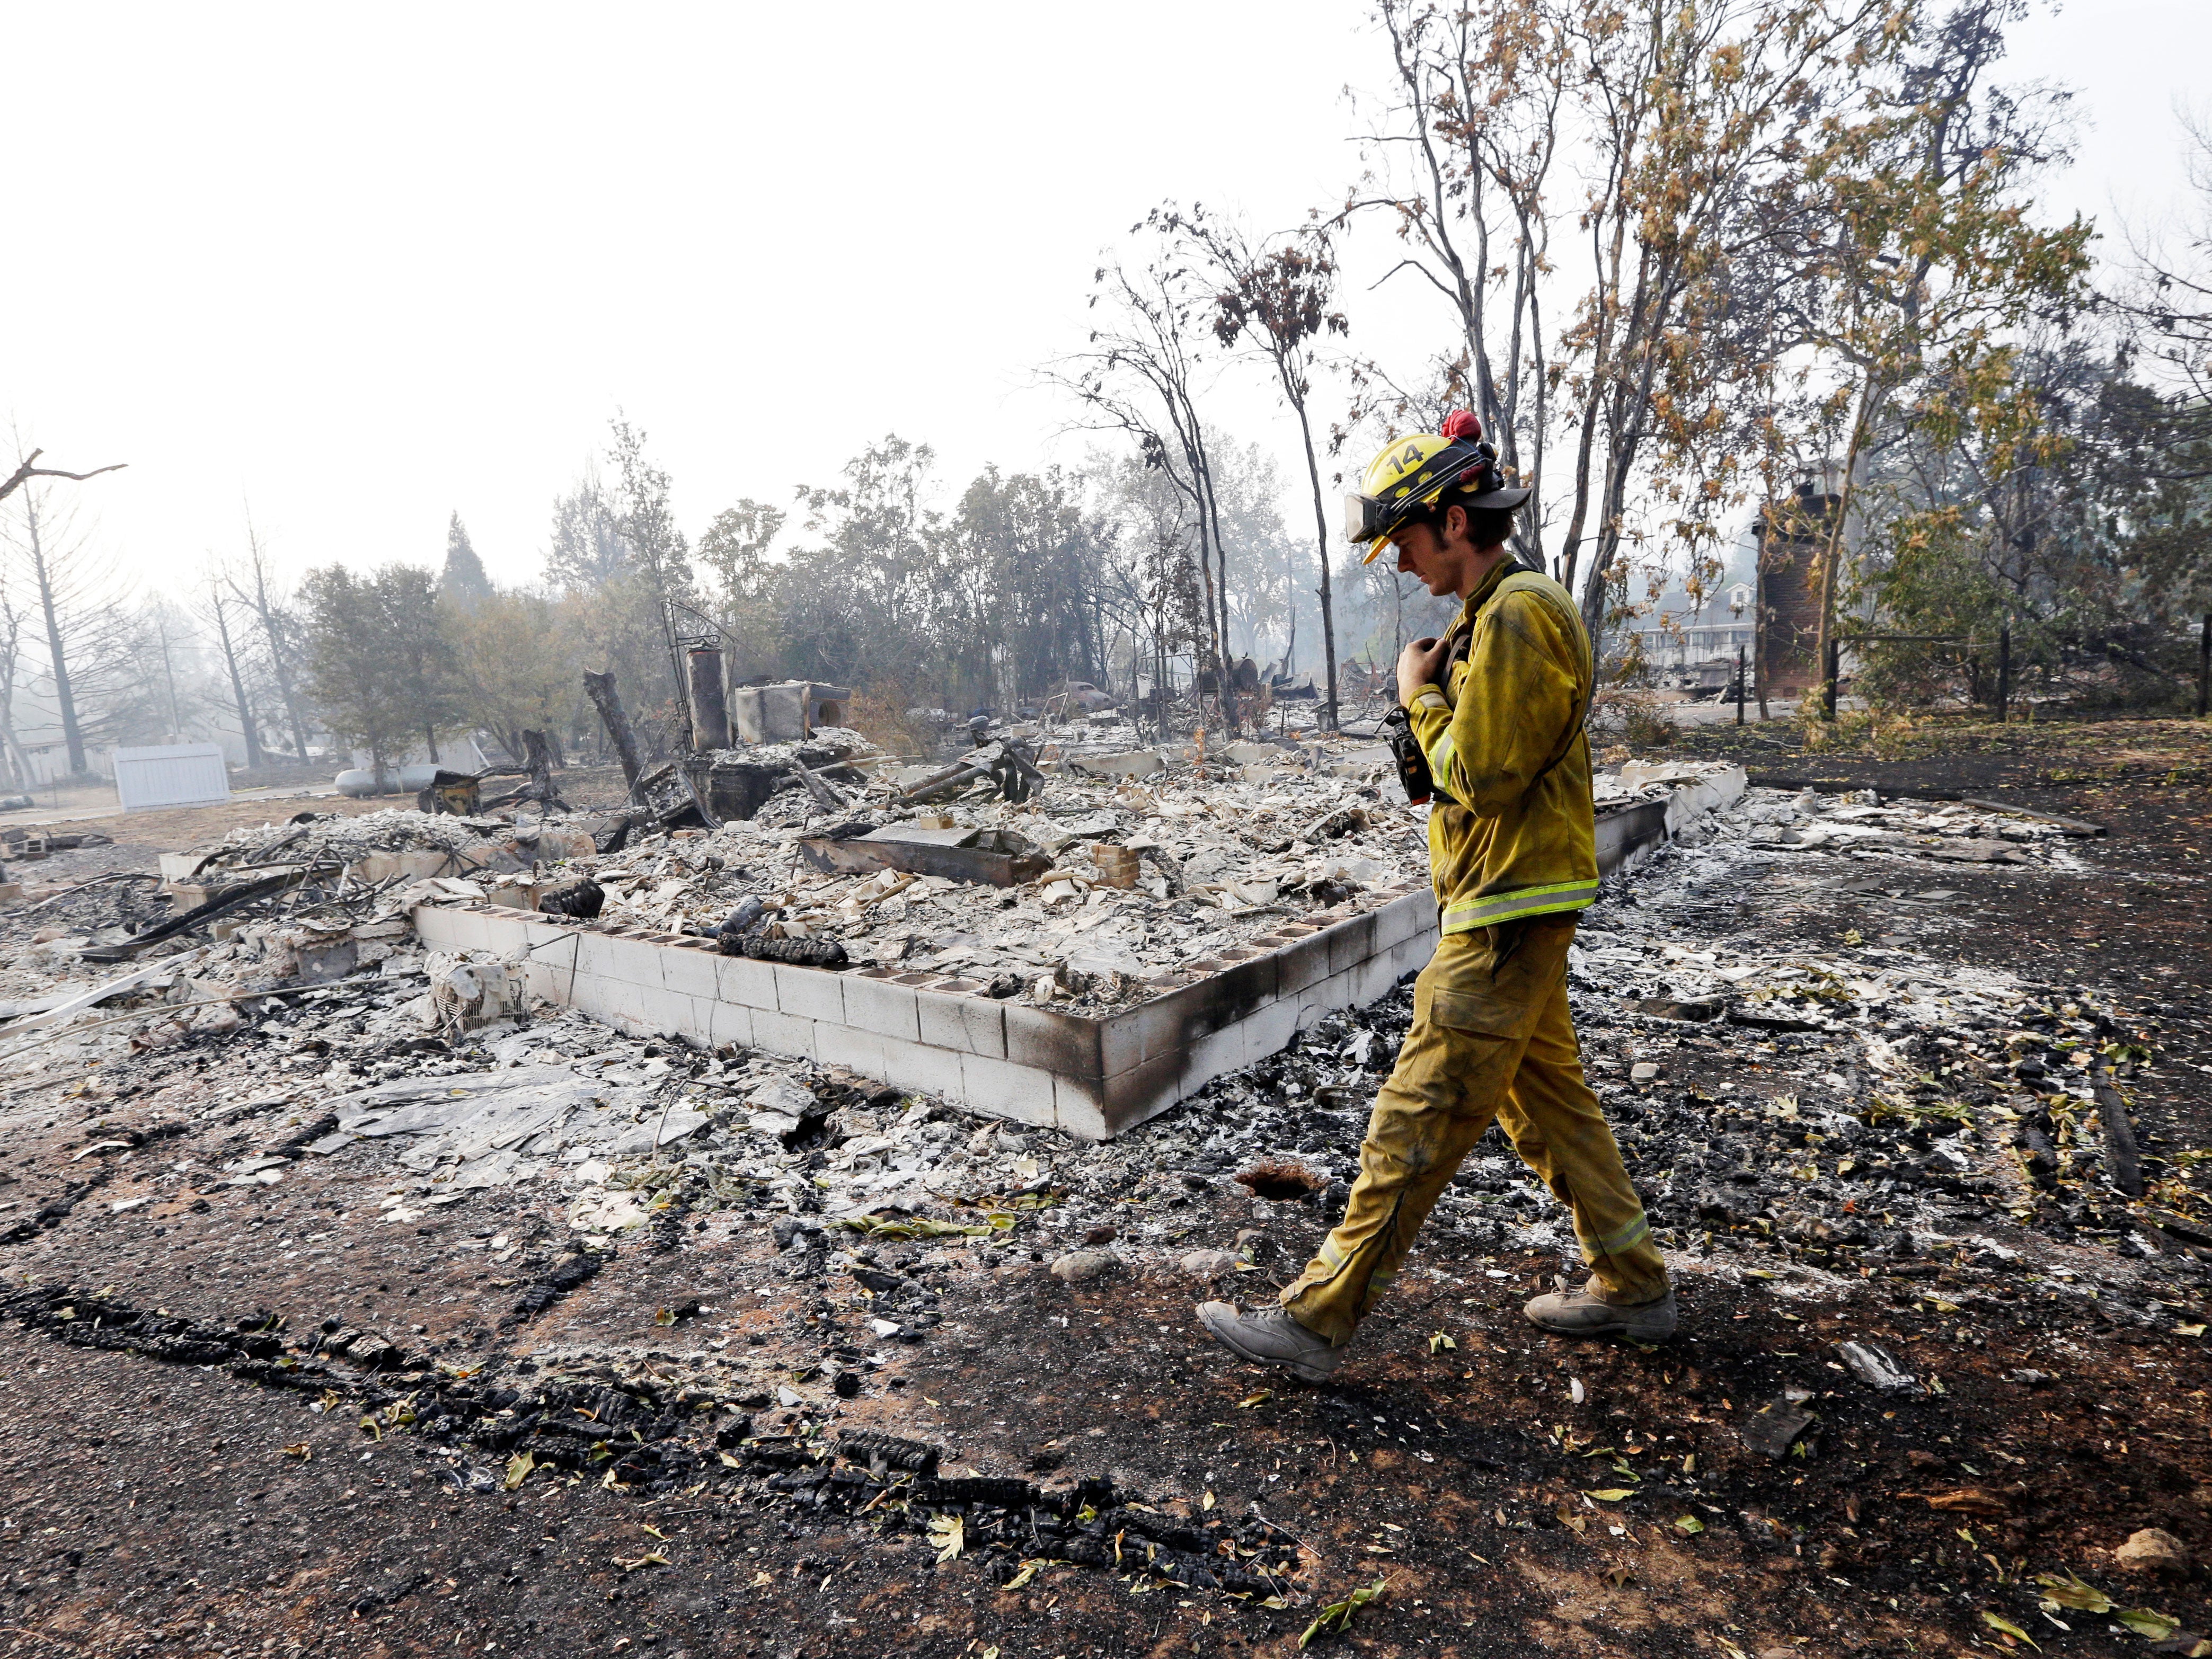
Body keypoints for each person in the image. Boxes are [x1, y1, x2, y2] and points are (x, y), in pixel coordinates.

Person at [1197, 410, 1675, 1383]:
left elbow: (1487, 777)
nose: (1402, 562)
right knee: (1547, 1113)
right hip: (1504, 899)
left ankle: (1318, 1316)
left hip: (1507, 905)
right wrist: (1426, 696)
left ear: (1456, 519)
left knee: (1418, 1110)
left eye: (1407, 540)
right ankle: (1633, 1283)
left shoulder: (1518, 613)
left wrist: (1419, 694)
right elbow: (1446, 775)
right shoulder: (1487, 618)